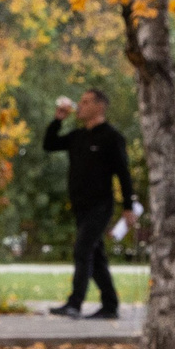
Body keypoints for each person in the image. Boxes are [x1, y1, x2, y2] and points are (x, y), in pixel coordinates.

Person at [41, 88, 135, 320]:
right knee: (97, 256)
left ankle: (75, 304)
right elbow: (50, 144)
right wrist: (58, 120)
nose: (79, 106)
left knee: (83, 249)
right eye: (80, 102)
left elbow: (123, 173)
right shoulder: (78, 137)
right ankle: (110, 306)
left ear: (99, 106)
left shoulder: (112, 137)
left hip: (100, 205)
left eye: (85, 102)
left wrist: (128, 207)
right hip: (80, 206)